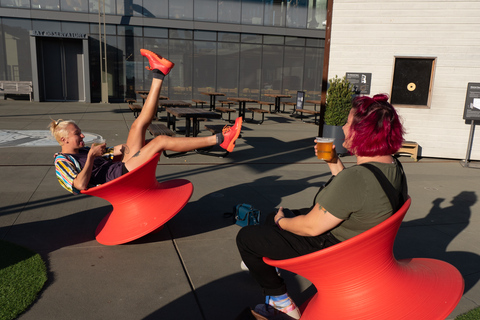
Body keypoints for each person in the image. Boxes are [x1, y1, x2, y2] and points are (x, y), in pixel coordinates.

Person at [236, 94, 407, 320]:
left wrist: (281, 221)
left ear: (362, 132)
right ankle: (266, 266)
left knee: (248, 238)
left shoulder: (357, 178)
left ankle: (280, 300)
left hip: (334, 250)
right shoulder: (394, 168)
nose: (343, 128)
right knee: (272, 221)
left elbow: (310, 228)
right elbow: (357, 195)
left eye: (347, 123)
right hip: (361, 246)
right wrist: (334, 161)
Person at [50, 49, 242, 194]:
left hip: (119, 166)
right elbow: (79, 186)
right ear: (64, 139)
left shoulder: (82, 150)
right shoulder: (62, 161)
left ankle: (159, 73)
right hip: (118, 177)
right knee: (160, 140)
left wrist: (117, 148)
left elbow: (114, 153)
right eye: (77, 134)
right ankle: (219, 140)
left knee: (138, 126)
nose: (82, 135)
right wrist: (92, 157)